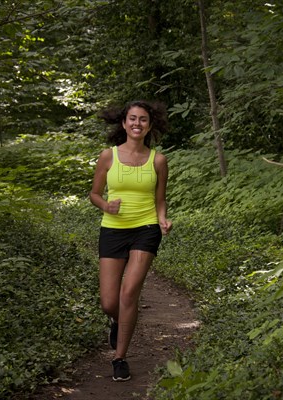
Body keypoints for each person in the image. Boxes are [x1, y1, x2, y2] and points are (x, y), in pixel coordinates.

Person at [89, 100, 172, 382]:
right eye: (132, 119)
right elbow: (94, 194)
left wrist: (162, 219)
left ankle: (119, 358)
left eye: (143, 119)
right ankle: (116, 321)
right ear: (124, 123)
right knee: (109, 302)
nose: (137, 123)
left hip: (145, 229)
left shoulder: (158, 160)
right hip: (112, 229)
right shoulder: (107, 156)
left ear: (150, 125)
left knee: (129, 293)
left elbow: (160, 200)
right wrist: (105, 206)